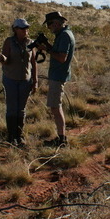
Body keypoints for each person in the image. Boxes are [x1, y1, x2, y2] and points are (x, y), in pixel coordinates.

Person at [0, 18, 37, 146]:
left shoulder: (30, 43)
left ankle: (19, 136)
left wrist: (35, 81)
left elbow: (33, 63)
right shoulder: (9, 41)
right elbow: (6, 59)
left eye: (26, 28)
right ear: (15, 29)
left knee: (21, 110)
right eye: (22, 28)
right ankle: (11, 136)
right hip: (11, 79)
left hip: (25, 80)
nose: (25, 30)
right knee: (12, 109)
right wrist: (2, 58)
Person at [38, 11, 75, 146]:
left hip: (58, 75)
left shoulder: (64, 36)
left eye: (49, 24)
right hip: (58, 74)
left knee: (55, 107)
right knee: (55, 106)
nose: (48, 27)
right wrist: (47, 45)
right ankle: (61, 138)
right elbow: (59, 52)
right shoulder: (63, 34)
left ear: (56, 23)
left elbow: (61, 57)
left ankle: (61, 139)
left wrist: (46, 49)